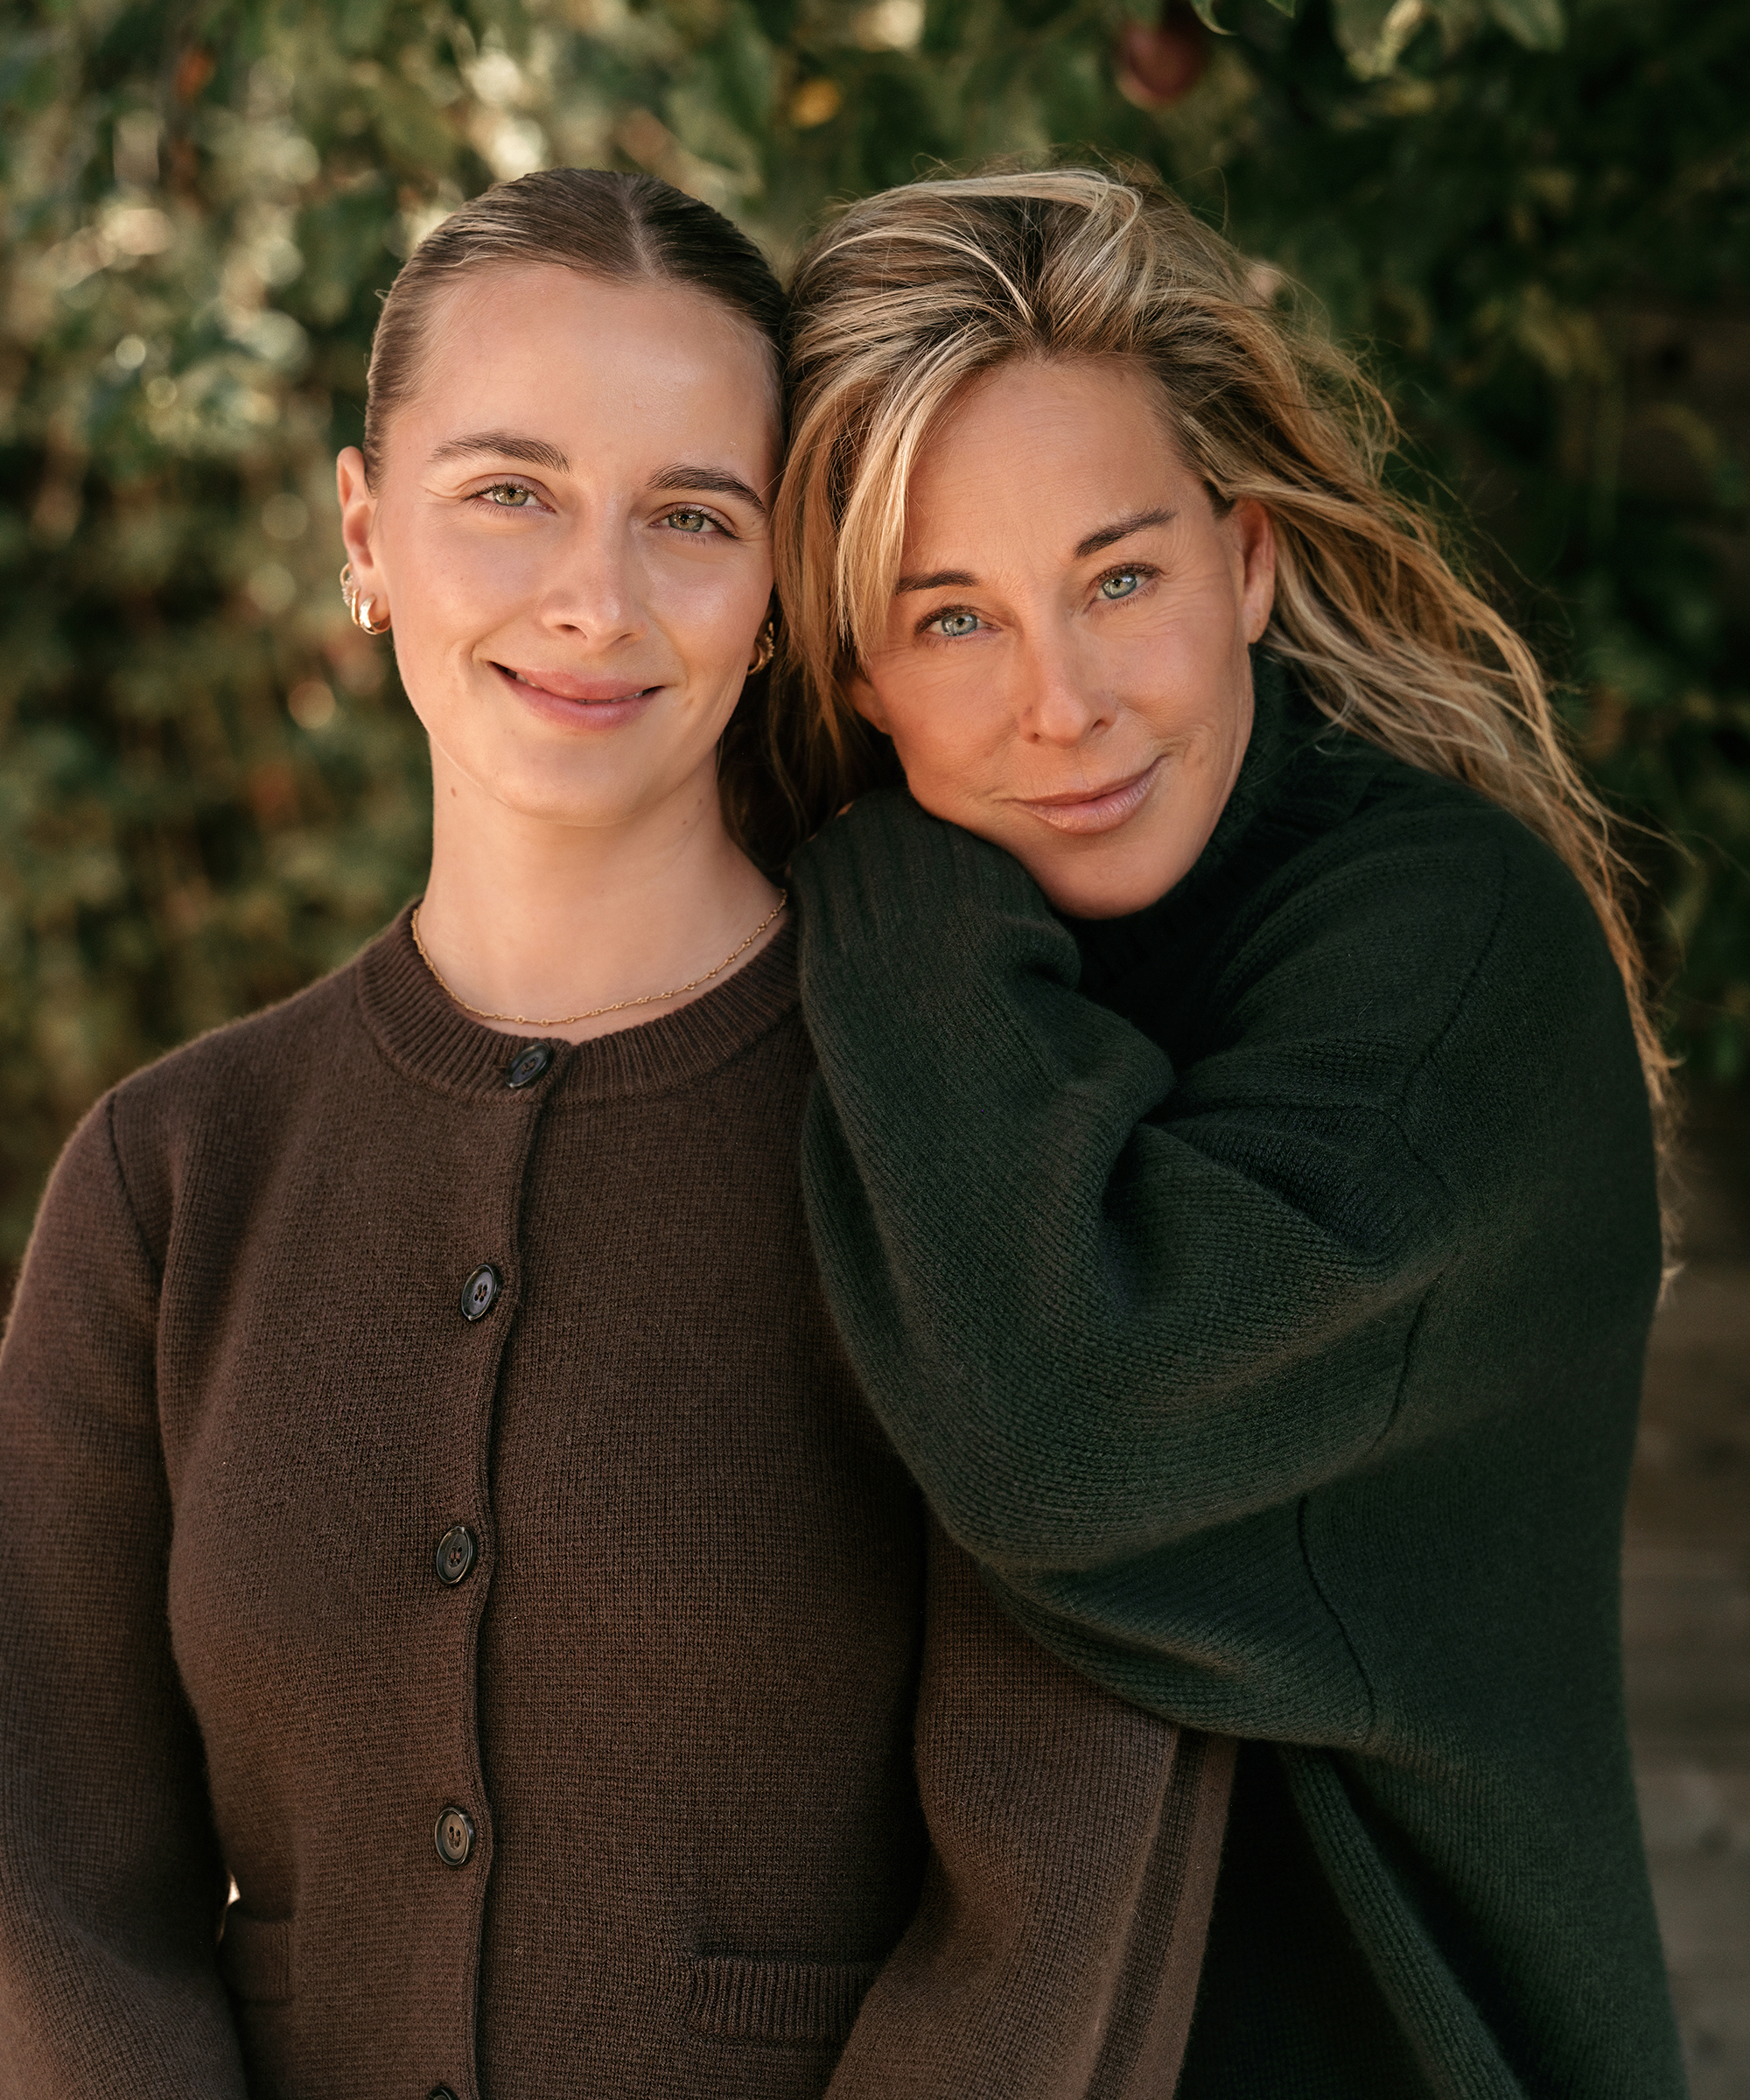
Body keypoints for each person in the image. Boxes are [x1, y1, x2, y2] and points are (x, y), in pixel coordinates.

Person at [0, 170, 1230, 2100]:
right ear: (364, 533)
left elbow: (1057, 1885)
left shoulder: (966, 1145)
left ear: (774, 592)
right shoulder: (172, 1180)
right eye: (509, 490)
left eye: (690, 516)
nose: (595, 595)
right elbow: (50, 1876)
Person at [774, 166, 1686, 2098]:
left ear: (1247, 564)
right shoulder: (871, 999)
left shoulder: (1446, 957)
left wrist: (886, 885)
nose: (1066, 706)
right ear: (852, 671)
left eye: (1121, 579)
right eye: (953, 619)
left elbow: (1067, 1428)